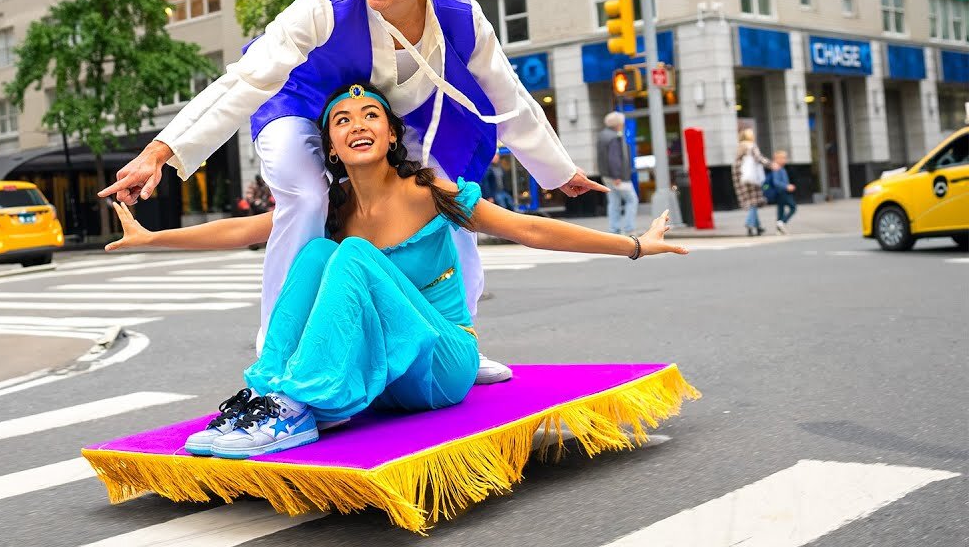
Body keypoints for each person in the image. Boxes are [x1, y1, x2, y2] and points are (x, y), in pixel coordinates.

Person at [100, 0, 605, 386]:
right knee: (306, 193)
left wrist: (558, 171)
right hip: (296, 99)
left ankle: (456, 340)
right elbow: (248, 79)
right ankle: (281, 351)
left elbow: (510, 96)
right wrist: (162, 150)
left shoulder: (460, 17)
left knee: (442, 196)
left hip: (377, 111)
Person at [104, 83, 686, 459]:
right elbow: (247, 230)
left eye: (371, 114)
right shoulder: (329, 206)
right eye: (342, 120)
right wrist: (152, 238)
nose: (358, 124)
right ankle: (269, 396)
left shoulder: (428, 189)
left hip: (441, 362)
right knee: (314, 252)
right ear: (329, 144)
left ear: (388, 132)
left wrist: (634, 244)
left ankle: (298, 408)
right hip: (388, 373)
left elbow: (529, 229)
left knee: (351, 254)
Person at [597, 112, 638, 235]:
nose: (623, 125)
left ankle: (614, 229)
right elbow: (614, 158)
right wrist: (617, 176)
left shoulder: (602, 136)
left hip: (606, 175)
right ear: (618, 124)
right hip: (618, 177)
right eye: (622, 123)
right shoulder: (615, 137)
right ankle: (629, 228)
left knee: (614, 202)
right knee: (632, 200)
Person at [732, 129, 770, 236]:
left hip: (740, 177)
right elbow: (759, 158)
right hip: (751, 177)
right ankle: (749, 223)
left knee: (752, 202)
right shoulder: (751, 146)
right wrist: (770, 164)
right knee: (753, 202)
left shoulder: (740, 147)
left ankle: (758, 227)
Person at [765, 150, 796, 234]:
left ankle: (779, 229)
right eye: (783, 158)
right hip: (782, 192)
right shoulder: (777, 169)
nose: (785, 160)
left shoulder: (781, 168)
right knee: (793, 207)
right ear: (776, 159)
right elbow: (776, 182)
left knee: (781, 210)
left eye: (785, 158)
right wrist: (787, 186)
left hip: (781, 192)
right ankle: (782, 222)